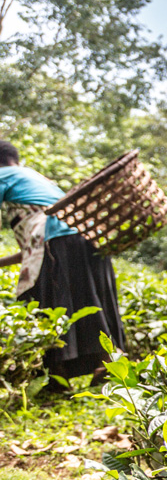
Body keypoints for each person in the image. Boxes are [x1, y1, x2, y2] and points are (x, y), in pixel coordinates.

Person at [0, 141, 126, 386]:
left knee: (40, 302)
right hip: (86, 236)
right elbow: (30, 248)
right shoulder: (35, 177)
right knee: (90, 300)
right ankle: (105, 362)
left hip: (58, 242)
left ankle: (56, 375)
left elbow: (43, 235)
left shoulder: (4, 175)